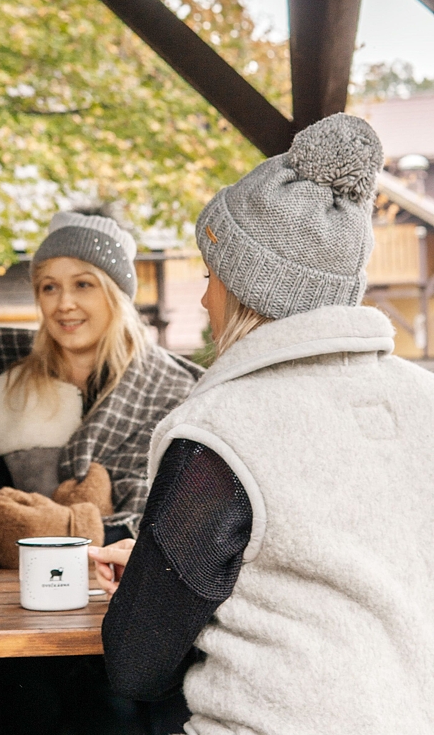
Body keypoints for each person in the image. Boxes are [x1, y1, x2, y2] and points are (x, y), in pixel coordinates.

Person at [91, 113, 434, 734]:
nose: (203, 299)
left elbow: (138, 662)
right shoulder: (425, 399)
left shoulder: (221, 430)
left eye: (209, 276)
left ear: (250, 290)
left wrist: (150, 583)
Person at [0, 210, 202, 565]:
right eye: (49, 287)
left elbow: (180, 518)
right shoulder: (7, 393)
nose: (64, 304)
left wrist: (65, 529)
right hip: (16, 587)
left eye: (83, 284)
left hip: (133, 579)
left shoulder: (174, 392)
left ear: (116, 294)